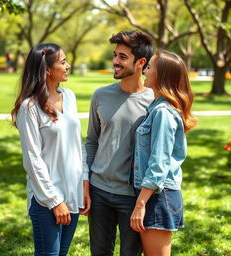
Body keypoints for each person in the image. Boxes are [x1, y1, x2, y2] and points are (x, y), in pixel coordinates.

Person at [11, 43, 90, 256]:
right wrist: (55, 201)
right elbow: (32, 159)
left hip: (73, 194)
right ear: (47, 69)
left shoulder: (70, 96)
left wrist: (84, 182)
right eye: (63, 62)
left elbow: (78, 144)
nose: (68, 66)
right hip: (46, 199)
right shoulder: (29, 108)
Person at [85, 30, 154, 256]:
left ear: (140, 62)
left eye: (122, 57)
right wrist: (86, 183)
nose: (115, 61)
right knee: (100, 252)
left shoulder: (155, 101)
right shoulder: (100, 95)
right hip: (99, 191)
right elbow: (92, 141)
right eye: (115, 55)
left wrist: (143, 200)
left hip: (132, 195)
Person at [130, 50, 197, 256]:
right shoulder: (156, 108)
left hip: (158, 197)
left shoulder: (163, 113)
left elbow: (159, 164)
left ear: (162, 75)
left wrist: (141, 204)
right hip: (156, 195)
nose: (145, 71)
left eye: (149, 67)